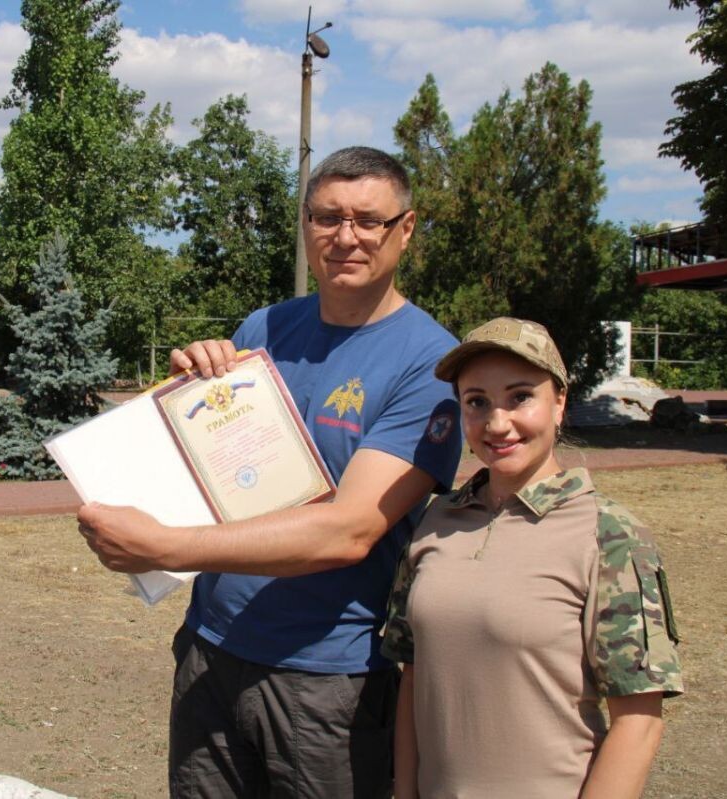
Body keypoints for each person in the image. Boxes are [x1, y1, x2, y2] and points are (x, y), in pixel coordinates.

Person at [78, 146, 462, 798]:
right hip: (210, 649)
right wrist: (187, 388)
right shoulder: (265, 327)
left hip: (328, 681)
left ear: (406, 229)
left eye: (368, 220)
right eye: (326, 217)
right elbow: (219, 465)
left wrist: (166, 546)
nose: (345, 237)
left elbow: (347, 531)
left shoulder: (431, 363)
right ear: (306, 224)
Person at [381, 317, 684, 799]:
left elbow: (639, 721)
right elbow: (414, 677)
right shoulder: (437, 521)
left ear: (560, 402)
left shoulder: (608, 535)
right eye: (476, 401)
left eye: (520, 397)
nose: (498, 423)